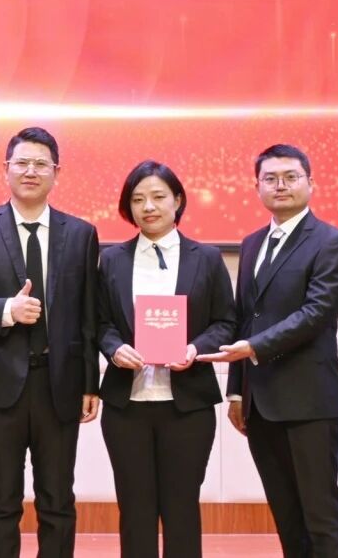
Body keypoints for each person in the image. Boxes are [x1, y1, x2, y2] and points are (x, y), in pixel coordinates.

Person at [0, 126, 100, 558]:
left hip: (59, 383)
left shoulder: (81, 233)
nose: (31, 171)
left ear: (56, 172)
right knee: (1, 500)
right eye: (22, 163)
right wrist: (5, 310)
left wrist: (90, 383)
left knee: (58, 500)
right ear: (6, 169)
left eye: (40, 164)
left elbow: (90, 316)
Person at [198, 144, 338, 558]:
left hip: (309, 402)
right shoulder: (252, 243)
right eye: (270, 179)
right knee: (286, 515)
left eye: (290, 177)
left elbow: (316, 313)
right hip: (260, 404)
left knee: (321, 515)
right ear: (257, 187)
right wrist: (237, 391)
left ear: (311, 183)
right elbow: (243, 318)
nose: (280, 185)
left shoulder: (332, 242)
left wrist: (253, 347)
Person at [95, 161, 235, 558]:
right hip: (127, 407)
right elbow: (99, 322)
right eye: (138, 199)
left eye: (158, 197)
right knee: (135, 510)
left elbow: (226, 322)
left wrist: (195, 348)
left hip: (187, 406)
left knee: (182, 509)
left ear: (178, 200)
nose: (148, 207)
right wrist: (114, 348)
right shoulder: (113, 259)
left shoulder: (206, 258)